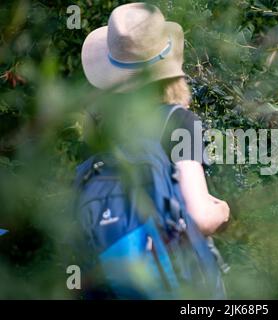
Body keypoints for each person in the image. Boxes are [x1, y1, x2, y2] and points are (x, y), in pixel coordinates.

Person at [80, 2, 230, 236]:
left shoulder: (98, 129)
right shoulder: (179, 121)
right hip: (162, 268)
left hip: (108, 269)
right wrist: (221, 211)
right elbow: (199, 219)